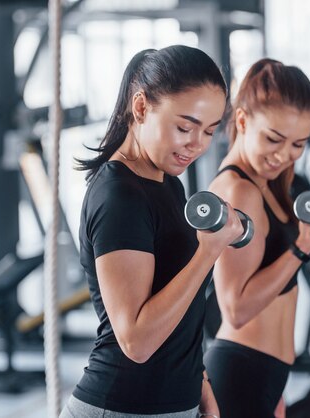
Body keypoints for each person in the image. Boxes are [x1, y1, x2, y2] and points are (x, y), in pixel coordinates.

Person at [60, 45, 243, 418]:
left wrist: (200, 382)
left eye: (208, 132)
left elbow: (179, 305)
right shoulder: (119, 197)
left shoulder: (165, 181)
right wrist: (209, 251)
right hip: (122, 405)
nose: (197, 145)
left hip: (173, 401)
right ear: (141, 107)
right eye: (184, 127)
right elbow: (136, 341)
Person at [203, 59, 310, 418]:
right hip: (239, 373)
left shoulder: (270, 181)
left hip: (266, 374)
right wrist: (304, 244)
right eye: (273, 139)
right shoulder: (238, 191)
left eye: (299, 143)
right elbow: (235, 309)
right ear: (243, 121)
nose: (284, 155)